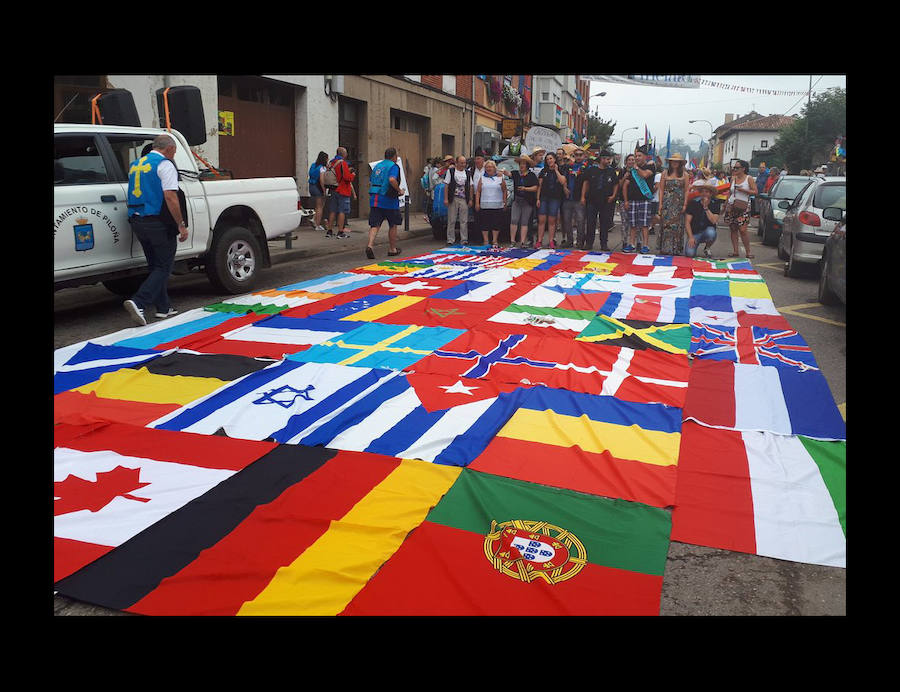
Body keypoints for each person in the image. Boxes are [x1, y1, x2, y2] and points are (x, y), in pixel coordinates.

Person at [123, 134, 189, 326]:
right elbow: (170, 196)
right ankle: (139, 301)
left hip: (137, 219)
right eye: (174, 152)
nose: (174, 156)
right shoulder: (165, 164)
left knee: (155, 265)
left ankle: (163, 307)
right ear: (168, 149)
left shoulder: (136, 164)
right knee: (164, 266)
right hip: (157, 221)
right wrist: (180, 224)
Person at [366, 147, 405, 259]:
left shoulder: (378, 166)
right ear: (394, 156)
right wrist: (399, 191)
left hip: (375, 198)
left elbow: (371, 181)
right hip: (388, 200)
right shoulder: (393, 166)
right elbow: (392, 179)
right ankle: (392, 249)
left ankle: (370, 245)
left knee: (375, 224)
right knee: (393, 224)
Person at [580, 149, 619, 251]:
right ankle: (589, 243)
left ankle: (604, 244)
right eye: (606, 159)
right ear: (601, 159)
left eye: (609, 159)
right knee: (590, 223)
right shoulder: (592, 170)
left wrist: (613, 195)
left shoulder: (611, 171)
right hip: (592, 200)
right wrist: (583, 197)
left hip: (606, 201)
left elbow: (615, 184)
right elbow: (586, 183)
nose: (608, 161)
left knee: (604, 223)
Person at [622, 145, 657, 253]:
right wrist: (626, 200)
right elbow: (625, 185)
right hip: (632, 200)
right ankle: (631, 244)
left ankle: (645, 245)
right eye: (636, 156)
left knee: (644, 224)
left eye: (639, 156)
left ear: (645, 157)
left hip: (645, 199)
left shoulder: (650, 167)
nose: (637, 158)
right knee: (633, 224)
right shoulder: (632, 170)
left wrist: (636, 167)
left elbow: (644, 176)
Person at [657, 152, 691, 255]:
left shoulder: (685, 175)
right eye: (673, 161)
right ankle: (665, 248)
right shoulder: (665, 173)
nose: (675, 163)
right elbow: (661, 189)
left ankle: (676, 249)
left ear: (680, 163)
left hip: (678, 205)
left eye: (677, 162)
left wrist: (685, 204)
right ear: (670, 162)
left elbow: (686, 190)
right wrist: (660, 204)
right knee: (666, 226)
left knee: (677, 227)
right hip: (667, 203)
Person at [724, 159, 758, 258]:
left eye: (737, 168)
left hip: (743, 207)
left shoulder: (749, 178)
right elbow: (730, 192)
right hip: (732, 205)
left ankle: (748, 252)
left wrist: (743, 190)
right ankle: (735, 251)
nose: (735, 169)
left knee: (743, 230)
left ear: (743, 169)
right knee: (733, 228)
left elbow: (755, 192)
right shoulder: (733, 178)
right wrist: (725, 204)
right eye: (734, 167)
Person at [535, 152, 567, 249]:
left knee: (552, 220)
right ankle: (539, 240)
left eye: (551, 159)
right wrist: (538, 198)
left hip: (555, 198)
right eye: (547, 159)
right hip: (544, 197)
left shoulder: (561, 170)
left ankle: (551, 240)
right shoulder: (543, 171)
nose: (549, 161)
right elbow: (539, 186)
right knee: (541, 220)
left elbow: (563, 181)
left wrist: (556, 170)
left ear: (555, 159)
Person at [683, 179, 721, 258]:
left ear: (711, 194)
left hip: (707, 231)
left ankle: (707, 247)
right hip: (694, 233)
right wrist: (690, 237)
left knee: (711, 233)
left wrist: (706, 207)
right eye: (702, 192)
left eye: (707, 192)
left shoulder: (715, 203)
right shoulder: (693, 203)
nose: (704, 194)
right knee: (689, 254)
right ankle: (693, 243)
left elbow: (714, 221)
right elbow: (687, 222)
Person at [559, 147, 588, 248]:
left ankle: (580, 241)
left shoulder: (586, 168)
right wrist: (564, 188)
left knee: (580, 221)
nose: (579, 157)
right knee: (567, 220)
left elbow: (586, 182)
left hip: (579, 198)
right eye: (577, 155)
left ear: (584, 156)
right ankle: (569, 240)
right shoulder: (568, 167)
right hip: (567, 197)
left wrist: (583, 197)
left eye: (581, 155)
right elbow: (563, 178)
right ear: (574, 156)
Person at [475, 159, 507, 248]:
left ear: (494, 168)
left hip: (497, 205)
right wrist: (477, 203)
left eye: (491, 167)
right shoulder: (482, 178)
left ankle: (495, 240)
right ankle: (486, 240)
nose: (489, 168)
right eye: (487, 167)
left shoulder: (500, 177)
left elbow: (504, 191)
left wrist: (505, 202)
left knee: (496, 223)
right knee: (485, 223)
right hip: (485, 205)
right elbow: (478, 191)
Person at [325, 147, 355, 239]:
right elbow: (347, 177)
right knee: (342, 211)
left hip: (333, 188)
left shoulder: (331, 162)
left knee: (333, 210)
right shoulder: (342, 163)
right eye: (346, 153)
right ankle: (340, 231)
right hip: (342, 189)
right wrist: (352, 175)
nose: (347, 155)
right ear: (343, 154)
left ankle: (329, 231)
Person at [443, 155, 473, 246]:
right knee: (451, 219)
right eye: (461, 163)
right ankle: (450, 239)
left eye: (464, 163)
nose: (463, 164)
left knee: (464, 220)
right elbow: (446, 185)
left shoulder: (468, 173)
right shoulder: (451, 171)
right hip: (453, 198)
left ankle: (464, 239)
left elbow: (471, 186)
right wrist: (446, 198)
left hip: (464, 199)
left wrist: (470, 199)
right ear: (457, 163)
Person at [509, 155, 538, 248]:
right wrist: (501, 172)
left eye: (524, 164)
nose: (522, 165)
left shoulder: (532, 175)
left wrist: (525, 189)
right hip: (517, 201)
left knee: (524, 222)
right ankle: (512, 241)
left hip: (527, 201)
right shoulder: (515, 173)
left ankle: (522, 242)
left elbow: (535, 187)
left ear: (527, 165)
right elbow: (507, 174)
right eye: (520, 163)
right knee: (514, 220)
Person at [308, 151, 329, 231]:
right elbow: (321, 180)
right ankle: (317, 224)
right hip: (318, 187)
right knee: (320, 206)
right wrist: (324, 190)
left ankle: (314, 219)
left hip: (311, 186)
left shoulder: (313, 165)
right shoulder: (322, 168)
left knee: (317, 205)